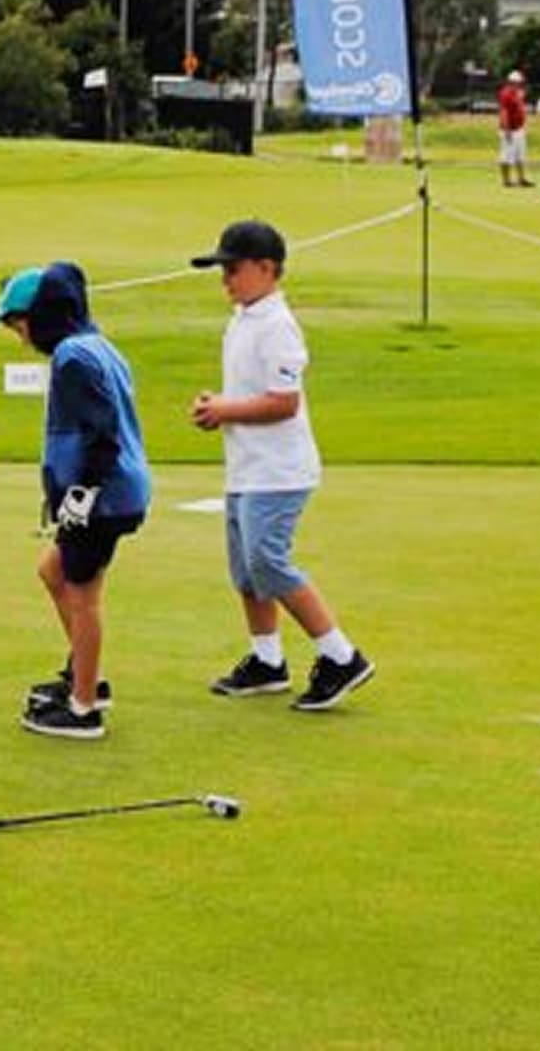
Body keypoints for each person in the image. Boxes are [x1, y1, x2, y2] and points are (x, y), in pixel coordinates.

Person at [189, 220, 374, 712]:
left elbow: (283, 402)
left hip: (280, 470)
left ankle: (342, 656)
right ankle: (268, 662)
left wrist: (225, 410)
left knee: (268, 562)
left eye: (232, 268)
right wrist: (221, 404)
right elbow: (254, 393)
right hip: (247, 468)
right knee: (247, 574)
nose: (225, 278)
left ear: (266, 269)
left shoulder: (278, 325)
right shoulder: (242, 319)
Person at [0, 263, 150, 740]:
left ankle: (84, 707)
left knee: (83, 595)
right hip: (111, 492)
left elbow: (101, 437)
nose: (19, 336)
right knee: (53, 571)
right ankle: (86, 676)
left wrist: (77, 499)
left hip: (103, 497)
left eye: (19, 323)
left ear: (46, 315)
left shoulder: (73, 358)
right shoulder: (96, 346)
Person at [497, 70, 534, 188]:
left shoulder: (517, 93)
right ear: (510, 82)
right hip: (509, 130)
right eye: (516, 82)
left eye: (519, 83)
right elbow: (504, 112)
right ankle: (506, 180)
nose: (518, 84)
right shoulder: (505, 94)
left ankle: (522, 178)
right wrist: (507, 129)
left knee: (520, 155)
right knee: (506, 155)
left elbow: (519, 107)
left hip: (519, 129)